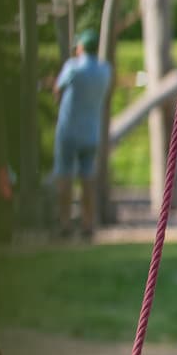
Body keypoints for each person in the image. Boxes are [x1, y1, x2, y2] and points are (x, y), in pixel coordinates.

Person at [50, 29, 112, 239]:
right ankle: (88, 223)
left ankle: (65, 223)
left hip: (68, 130)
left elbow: (58, 89)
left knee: (64, 177)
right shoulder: (105, 70)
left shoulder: (72, 67)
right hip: (91, 131)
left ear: (82, 47)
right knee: (87, 180)